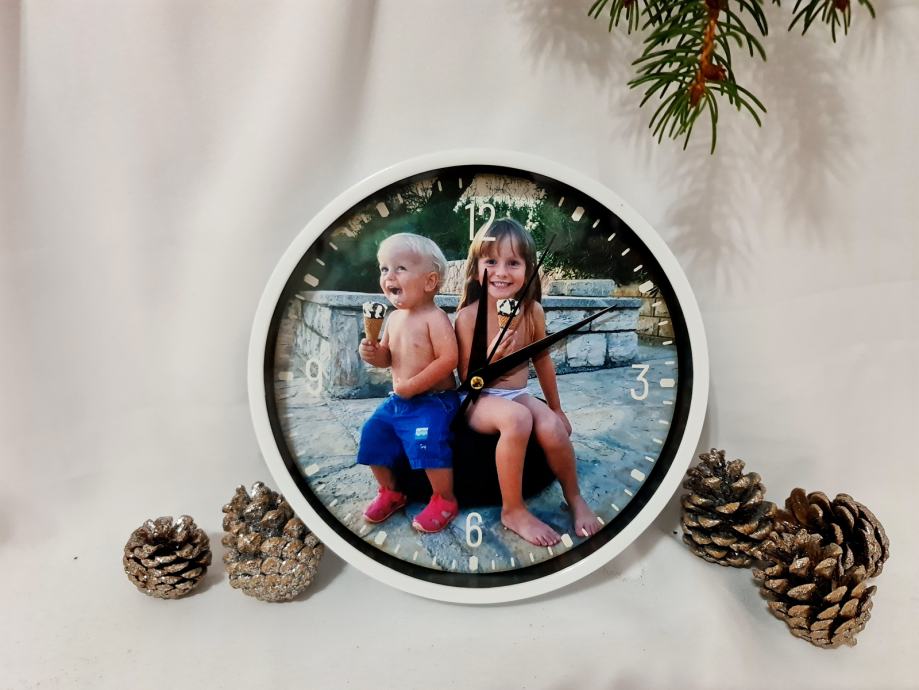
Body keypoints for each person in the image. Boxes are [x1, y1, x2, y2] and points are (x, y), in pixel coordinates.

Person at [454, 218, 600, 546]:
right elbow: (467, 380)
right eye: (491, 262)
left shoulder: (532, 311)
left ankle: (574, 497)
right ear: (476, 269)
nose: (501, 272)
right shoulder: (468, 317)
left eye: (513, 263)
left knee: (552, 427)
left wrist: (557, 409)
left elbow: (542, 360)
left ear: (528, 269)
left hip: (517, 392)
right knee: (517, 418)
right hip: (480, 400)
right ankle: (513, 510)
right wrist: (492, 356)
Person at [356, 232, 460, 533]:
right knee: (372, 432)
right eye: (384, 269)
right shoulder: (393, 318)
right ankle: (390, 492)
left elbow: (448, 359)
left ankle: (444, 499)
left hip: (434, 400)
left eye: (400, 268)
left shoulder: (434, 317)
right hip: (400, 400)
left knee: (426, 440)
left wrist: (413, 385)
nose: (389, 276)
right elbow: (387, 357)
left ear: (429, 281)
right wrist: (373, 354)